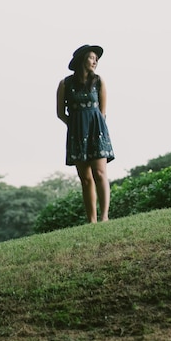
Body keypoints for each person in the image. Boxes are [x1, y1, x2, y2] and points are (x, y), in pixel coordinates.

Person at [57, 44, 114, 223]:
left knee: (100, 173)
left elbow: (103, 112)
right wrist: (74, 126)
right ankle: (92, 220)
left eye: (97, 59)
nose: (95, 61)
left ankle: (104, 217)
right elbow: (60, 113)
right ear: (82, 59)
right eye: (92, 57)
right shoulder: (65, 83)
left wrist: (95, 127)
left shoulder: (99, 81)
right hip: (76, 133)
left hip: (97, 131)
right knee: (86, 179)